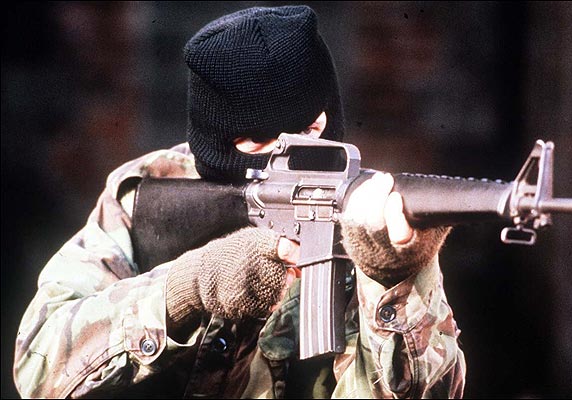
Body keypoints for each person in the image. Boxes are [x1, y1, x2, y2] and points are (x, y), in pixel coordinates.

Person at [13, 5, 466, 398]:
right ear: (214, 139)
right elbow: (37, 367)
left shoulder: (370, 208)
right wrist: (190, 286)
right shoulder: (153, 188)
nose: (294, 153)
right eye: (259, 141)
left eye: (311, 129)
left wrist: (396, 278)